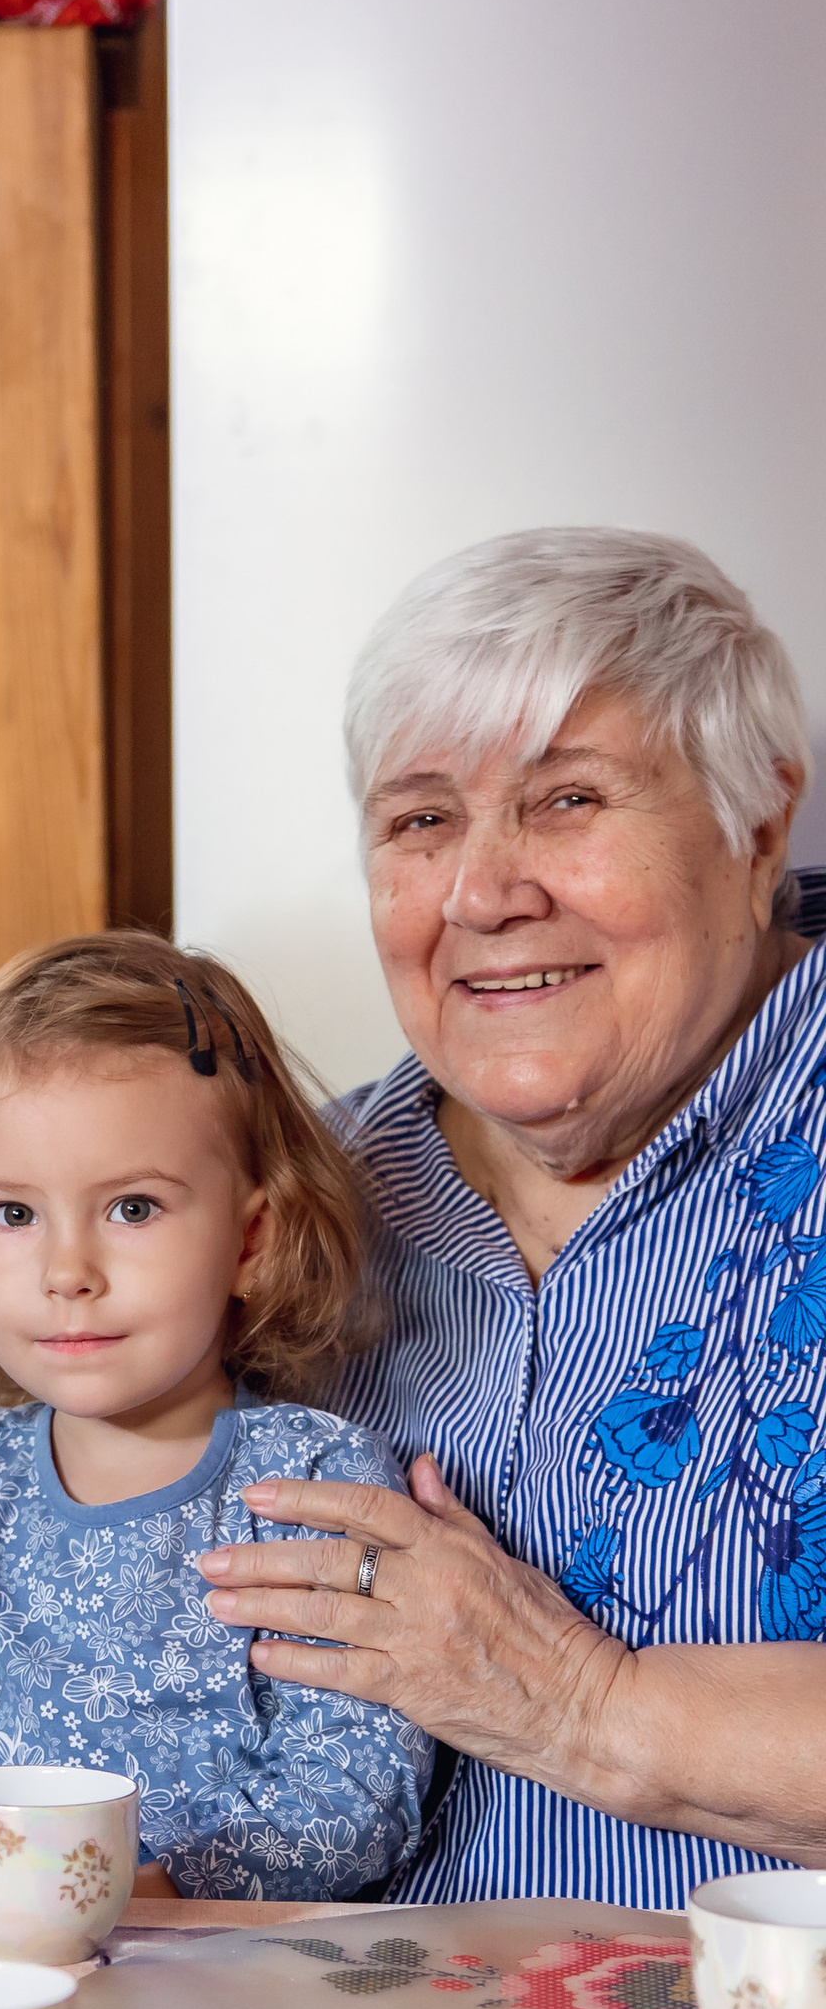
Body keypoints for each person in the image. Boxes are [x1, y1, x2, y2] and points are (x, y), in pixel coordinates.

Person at [195, 527, 826, 1905]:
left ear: (759, 820)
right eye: (423, 821)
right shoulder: (285, 1215)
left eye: (568, 801)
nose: (484, 893)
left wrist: (580, 1702)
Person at [0, 934, 431, 1963]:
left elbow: (357, 1780)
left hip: (243, 1981)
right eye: (12, 1213)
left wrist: (161, 1884)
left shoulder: (315, 1482)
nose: (68, 1268)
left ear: (248, 1239)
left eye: (131, 1207)